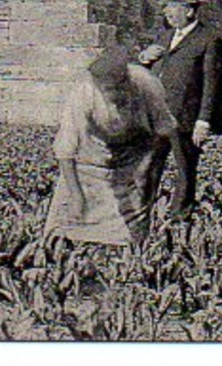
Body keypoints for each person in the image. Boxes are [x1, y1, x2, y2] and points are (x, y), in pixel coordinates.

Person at [45, 46, 178, 246]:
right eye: (108, 90)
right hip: (89, 160)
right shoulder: (82, 95)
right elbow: (65, 150)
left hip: (133, 158)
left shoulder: (147, 86)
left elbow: (165, 132)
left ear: (127, 81)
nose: (115, 95)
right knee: (65, 230)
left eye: (119, 88)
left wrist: (147, 173)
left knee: (128, 233)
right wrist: (76, 195)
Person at [137, 0, 222, 221]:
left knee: (185, 170)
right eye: (166, 7)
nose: (166, 12)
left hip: (184, 118)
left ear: (188, 11)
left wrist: (203, 120)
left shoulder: (209, 40)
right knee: (148, 167)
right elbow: (152, 68)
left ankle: (179, 219)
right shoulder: (164, 37)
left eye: (171, 7)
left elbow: (211, 84)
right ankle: (142, 216)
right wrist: (144, 58)